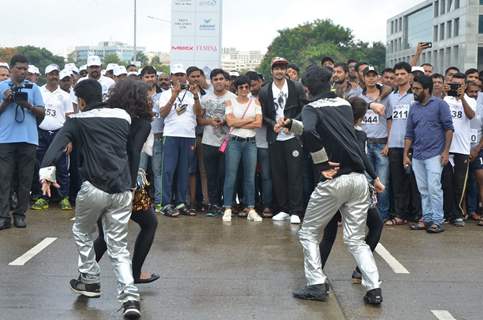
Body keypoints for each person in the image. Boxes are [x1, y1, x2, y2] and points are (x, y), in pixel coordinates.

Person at [39, 79, 141, 318]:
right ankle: (130, 299)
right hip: (122, 188)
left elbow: (55, 149)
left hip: (94, 187)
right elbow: (132, 148)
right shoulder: (123, 116)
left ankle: (91, 280)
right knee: (118, 247)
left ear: (81, 101)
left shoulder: (76, 121)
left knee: (82, 231)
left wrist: (46, 174)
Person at [287, 64, 384, 305]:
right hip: (359, 180)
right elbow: (351, 142)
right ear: (330, 83)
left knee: (308, 232)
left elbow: (309, 130)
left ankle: (316, 284)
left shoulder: (310, 107)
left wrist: (321, 164)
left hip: (334, 181)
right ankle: (374, 289)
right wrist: (374, 176)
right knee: (355, 239)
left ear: (307, 89)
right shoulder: (344, 105)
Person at [94, 79, 159, 285]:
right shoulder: (142, 124)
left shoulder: (109, 118)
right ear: (138, 98)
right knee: (149, 224)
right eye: (147, 95)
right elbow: (133, 152)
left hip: (100, 180)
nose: (150, 98)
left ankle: (84, 275)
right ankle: (135, 273)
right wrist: (130, 187)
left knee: (105, 235)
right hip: (124, 181)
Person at [318, 96, 384, 284]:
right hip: (356, 185)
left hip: (332, 185)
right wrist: (376, 177)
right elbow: (362, 157)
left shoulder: (329, 130)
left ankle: (315, 274)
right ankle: (359, 271)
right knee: (376, 225)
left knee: (329, 235)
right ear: (362, 117)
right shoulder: (359, 134)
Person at [258, 57, 306, 224]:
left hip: (293, 136)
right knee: (278, 174)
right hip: (275, 137)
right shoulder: (264, 91)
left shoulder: (296, 87)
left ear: (286, 70)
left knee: (295, 174)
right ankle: (283, 209)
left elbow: (304, 108)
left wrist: (290, 124)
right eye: (276, 68)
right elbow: (263, 115)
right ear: (271, 71)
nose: (279, 71)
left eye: (282, 68)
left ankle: (296, 211)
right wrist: (273, 125)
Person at [0, 54, 45, 230]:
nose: (22, 72)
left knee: (25, 179)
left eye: (25, 69)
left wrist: (29, 106)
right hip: (5, 139)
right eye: (19, 68)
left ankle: (20, 214)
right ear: (11, 69)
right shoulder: (2, 87)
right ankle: (3, 216)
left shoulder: (33, 88)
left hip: (28, 139)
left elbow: (42, 113)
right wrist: (6, 100)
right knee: (4, 179)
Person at [404, 75, 454, 233]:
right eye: (413, 88)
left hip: (435, 154)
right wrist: (406, 154)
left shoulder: (440, 105)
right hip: (417, 155)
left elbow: (449, 129)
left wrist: (445, 152)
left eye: (417, 89)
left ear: (427, 89)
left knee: (434, 188)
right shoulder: (414, 107)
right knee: (423, 189)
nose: (414, 91)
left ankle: (438, 221)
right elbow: (409, 133)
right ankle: (427, 219)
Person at [158, 64, 202, 217]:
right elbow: (162, 114)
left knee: (184, 171)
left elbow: (198, 113)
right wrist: (173, 96)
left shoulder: (192, 94)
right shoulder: (165, 94)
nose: (179, 77)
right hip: (171, 135)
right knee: (169, 170)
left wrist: (196, 96)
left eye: (181, 75)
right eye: (176, 75)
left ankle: (181, 203)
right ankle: (166, 204)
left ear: (185, 77)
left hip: (188, 136)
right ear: (171, 77)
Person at [31, 64, 74, 211]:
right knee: (43, 166)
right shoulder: (38, 92)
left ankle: (64, 197)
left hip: (60, 133)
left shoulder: (66, 95)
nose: (54, 76)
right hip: (41, 132)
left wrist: (69, 140)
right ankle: (44, 198)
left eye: (56, 74)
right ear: (46, 75)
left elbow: (69, 118)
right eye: (51, 74)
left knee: (62, 167)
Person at [222, 76, 263, 222]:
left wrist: (239, 123)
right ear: (236, 88)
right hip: (234, 142)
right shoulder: (229, 102)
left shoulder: (255, 102)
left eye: (247, 87)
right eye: (241, 87)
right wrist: (250, 120)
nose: (244, 90)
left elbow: (259, 123)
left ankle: (250, 207)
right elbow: (230, 121)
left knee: (250, 177)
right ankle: (227, 207)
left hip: (250, 142)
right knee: (231, 175)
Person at [387, 62, 421, 223]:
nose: (399, 77)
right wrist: (388, 142)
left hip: (412, 145)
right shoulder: (391, 97)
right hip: (394, 145)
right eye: (397, 74)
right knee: (398, 182)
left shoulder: (414, 96)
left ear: (409, 75)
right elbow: (390, 121)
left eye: (402, 74)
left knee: (414, 181)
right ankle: (400, 215)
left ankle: (416, 214)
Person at [198, 69, 236, 216]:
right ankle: (213, 204)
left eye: (221, 79)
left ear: (226, 81)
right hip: (208, 141)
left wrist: (225, 120)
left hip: (227, 141)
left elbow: (237, 118)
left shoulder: (233, 97)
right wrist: (210, 121)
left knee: (224, 174)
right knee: (211, 175)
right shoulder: (205, 99)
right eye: (215, 79)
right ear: (211, 81)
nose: (219, 82)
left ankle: (224, 203)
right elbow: (199, 120)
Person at [442, 73, 476, 227]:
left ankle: (456, 215)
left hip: (462, 148)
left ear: (465, 86)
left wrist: (462, 98)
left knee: (459, 184)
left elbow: (471, 116)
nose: (457, 87)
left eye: (460, 85)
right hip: (446, 148)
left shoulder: (470, 100)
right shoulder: (444, 100)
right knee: (446, 183)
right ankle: (447, 213)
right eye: (454, 84)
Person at [360, 66, 392, 223]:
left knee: (382, 181)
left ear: (378, 77)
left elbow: (390, 120)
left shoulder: (386, 96)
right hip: (365, 144)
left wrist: (389, 143)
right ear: (364, 78)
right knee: (366, 182)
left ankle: (383, 215)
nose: (371, 78)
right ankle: (367, 214)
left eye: (373, 76)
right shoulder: (359, 97)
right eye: (368, 76)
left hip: (381, 144)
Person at [247, 71, 273, 217]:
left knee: (266, 176)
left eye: (254, 85)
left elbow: (265, 119)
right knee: (249, 175)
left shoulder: (267, 97)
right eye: (249, 86)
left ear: (260, 82)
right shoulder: (244, 98)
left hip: (264, 143)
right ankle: (251, 204)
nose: (251, 88)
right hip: (248, 142)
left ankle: (267, 205)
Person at [140, 66, 164, 212]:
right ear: (142, 78)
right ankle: (139, 200)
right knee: (140, 171)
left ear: (156, 77)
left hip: (158, 138)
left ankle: (159, 202)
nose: (150, 79)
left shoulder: (164, 95)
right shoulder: (137, 95)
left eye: (152, 76)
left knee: (158, 171)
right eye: (147, 76)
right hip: (142, 139)